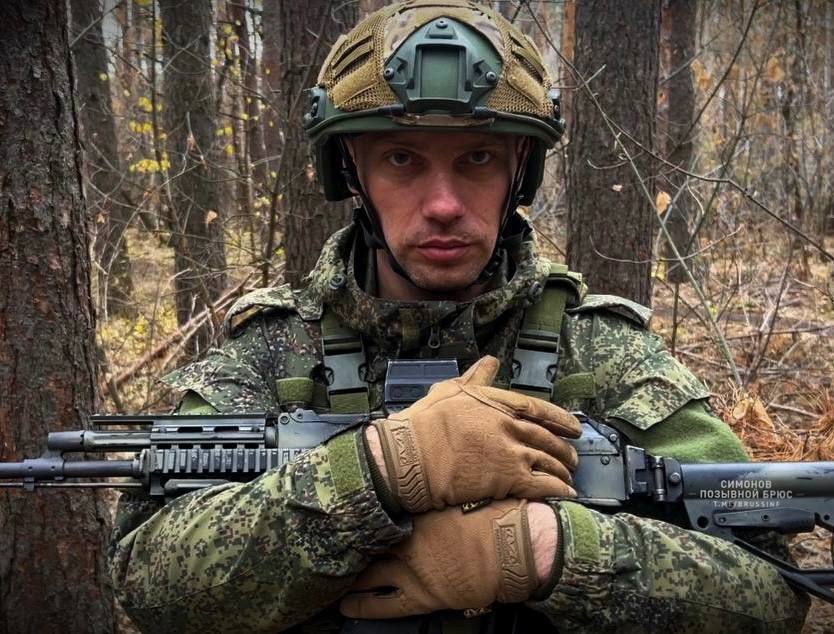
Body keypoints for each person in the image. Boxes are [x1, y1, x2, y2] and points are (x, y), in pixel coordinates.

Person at [109, 1, 809, 632]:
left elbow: (772, 589)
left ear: (519, 170)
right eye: (402, 159)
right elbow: (149, 584)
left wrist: (551, 552)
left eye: (477, 157)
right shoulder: (271, 353)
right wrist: (378, 471)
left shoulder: (603, 352)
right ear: (351, 171)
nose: (443, 204)